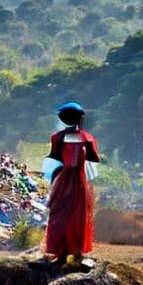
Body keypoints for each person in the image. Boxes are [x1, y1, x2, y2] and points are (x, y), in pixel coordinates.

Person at [42, 102, 101, 270]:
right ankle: (66, 255)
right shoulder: (84, 138)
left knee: (71, 218)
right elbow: (95, 157)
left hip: (73, 182)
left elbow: (55, 156)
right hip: (72, 182)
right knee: (68, 217)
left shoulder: (61, 138)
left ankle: (72, 256)